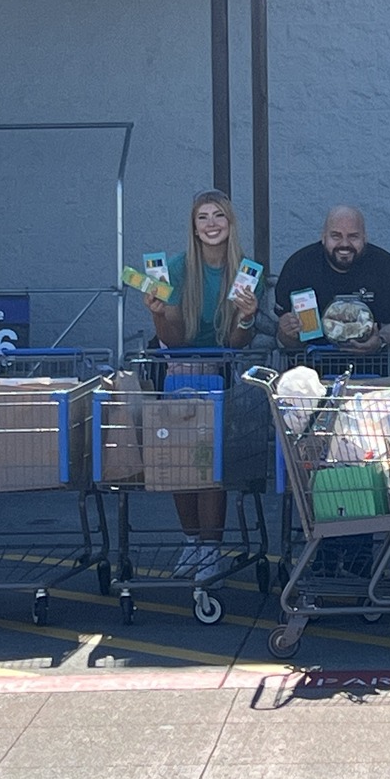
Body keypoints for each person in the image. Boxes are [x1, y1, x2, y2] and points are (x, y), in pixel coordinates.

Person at [144, 189, 261, 576]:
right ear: (194, 228)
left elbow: (235, 343)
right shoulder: (175, 269)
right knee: (181, 463)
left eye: (218, 216)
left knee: (206, 464)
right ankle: (191, 542)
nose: (211, 224)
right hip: (180, 368)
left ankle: (210, 548)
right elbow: (174, 341)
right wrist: (159, 315)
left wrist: (246, 317)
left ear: (230, 223)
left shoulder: (247, 270)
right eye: (202, 218)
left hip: (221, 372)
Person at [271, 205, 390, 353]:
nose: (344, 244)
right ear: (323, 237)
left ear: (365, 238)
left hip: (372, 369)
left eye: (353, 236)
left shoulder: (386, 266)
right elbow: (284, 338)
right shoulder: (298, 266)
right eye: (336, 236)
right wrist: (287, 333)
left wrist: (380, 342)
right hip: (311, 369)